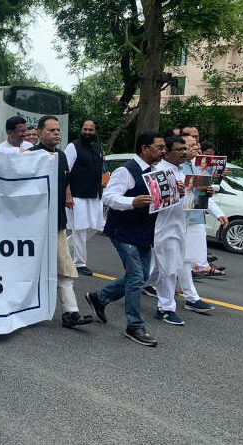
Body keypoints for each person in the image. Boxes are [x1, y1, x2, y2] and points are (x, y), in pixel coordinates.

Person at [85, 131, 166, 347]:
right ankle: (135, 325)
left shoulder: (155, 172)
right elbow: (109, 197)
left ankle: (99, 298)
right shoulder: (126, 171)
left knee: (138, 275)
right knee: (137, 277)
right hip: (123, 231)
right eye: (159, 147)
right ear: (145, 148)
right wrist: (133, 202)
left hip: (143, 232)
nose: (163, 151)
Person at [28, 116, 93, 328]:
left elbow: (64, 182)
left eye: (58, 130)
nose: (57, 133)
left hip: (57, 222)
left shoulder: (62, 156)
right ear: (39, 133)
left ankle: (70, 312)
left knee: (64, 268)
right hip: (33, 225)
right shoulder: (29, 156)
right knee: (31, 270)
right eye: (51, 130)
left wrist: (68, 196)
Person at [145, 136, 216, 326]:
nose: (184, 153)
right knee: (169, 270)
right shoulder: (158, 172)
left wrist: (203, 194)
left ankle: (120, 290)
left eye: (185, 150)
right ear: (167, 152)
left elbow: (191, 203)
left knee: (162, 269)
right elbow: (157, 203)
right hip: (164, 228)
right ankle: (166, 309)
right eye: (180, 150)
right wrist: (177, 192)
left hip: (180, 227)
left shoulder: (180, 172)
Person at [180, 135, 227, 277]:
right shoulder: (175, 167)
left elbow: (202, 193)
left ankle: (190, 296)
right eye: (192, 145)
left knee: (186, 261)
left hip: (195, 217)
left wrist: (218, 214)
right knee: (171, 260)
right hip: (177, 220)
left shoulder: (197, 166)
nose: (196, 148)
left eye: (197, 145)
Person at [65, 119, 106, 276]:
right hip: (77, 195)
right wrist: (67, 194)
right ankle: (79, 263)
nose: (87, 132)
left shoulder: (97, 147)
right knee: (79, 229)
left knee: (97, 226)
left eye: (90, 129)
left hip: (95, 195)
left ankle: (60, 249)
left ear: (95, 131)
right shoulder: (73, 147)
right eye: (85, 129)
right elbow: (65, 172)